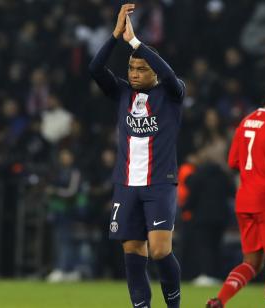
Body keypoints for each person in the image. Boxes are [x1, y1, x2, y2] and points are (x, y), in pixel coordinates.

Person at [89, 4, 185, 308]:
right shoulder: (122, 93)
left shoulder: (171, 94)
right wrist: (116, 36)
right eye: (131, 68)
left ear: (154, 71)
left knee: (159, 250)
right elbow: (95, 69)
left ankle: (174, 305)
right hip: (127, 184)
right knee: (132, 251)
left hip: (159, 183)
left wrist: (136, 42)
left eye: (141, 68)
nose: (134, 73)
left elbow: (169, 73)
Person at [207, 68, 265, 308]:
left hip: (246, 200)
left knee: (251, 263)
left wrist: (260, 161)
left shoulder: (247, 120)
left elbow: (233, 161)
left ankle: (219, 301)